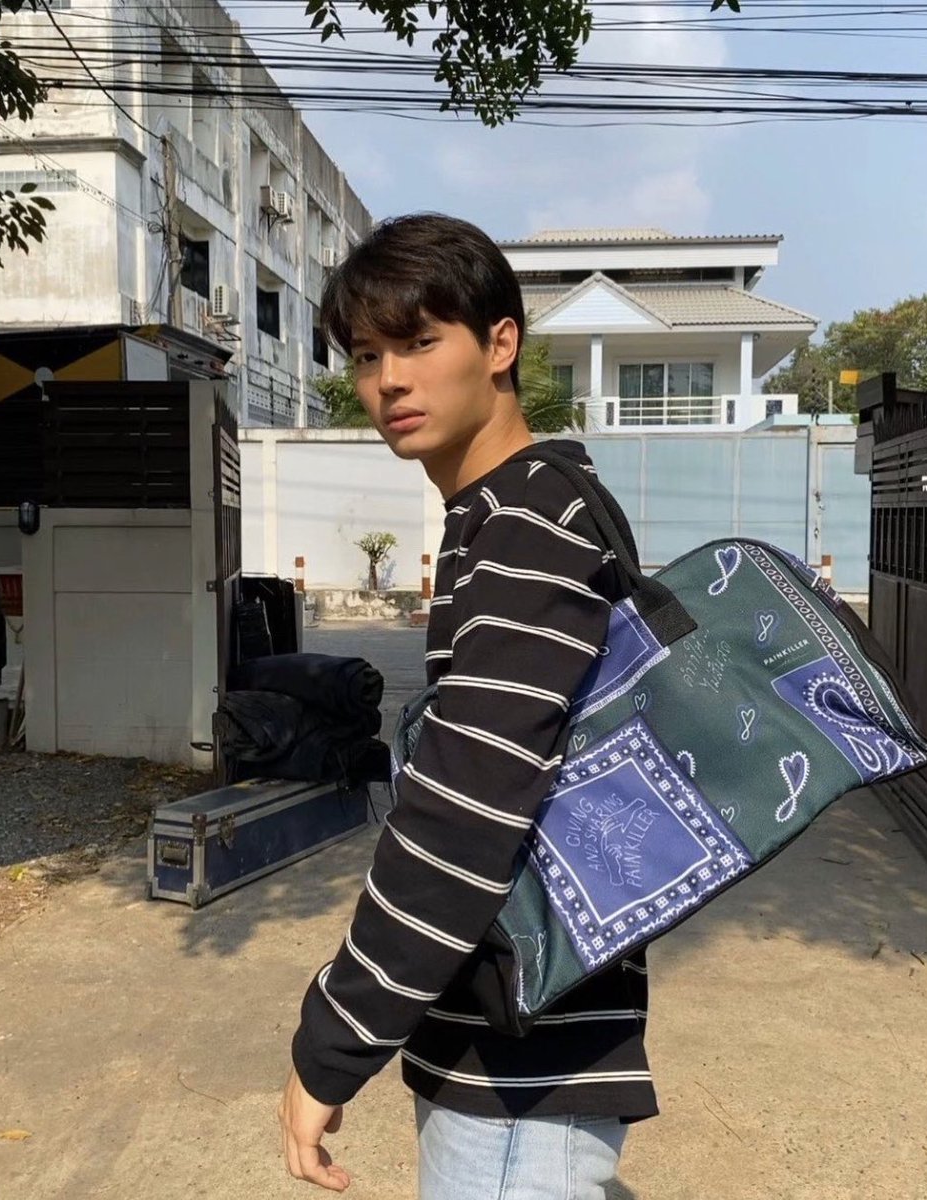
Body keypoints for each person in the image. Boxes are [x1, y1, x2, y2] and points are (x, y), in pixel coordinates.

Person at [277, 213, 656, 1199]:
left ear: (499, 344)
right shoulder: (509, 511)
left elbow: (464, 811)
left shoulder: (527, 522)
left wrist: (333, 1040)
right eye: (366, 355)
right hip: (502, 1040)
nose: (387, 381)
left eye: (417, 341)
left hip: (520, 1069)